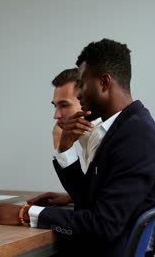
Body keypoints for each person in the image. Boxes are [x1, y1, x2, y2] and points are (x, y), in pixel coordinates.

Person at [0, 39, 155, 256]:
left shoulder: (136, 136)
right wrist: (65, 148)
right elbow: (88, 201)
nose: (79, 94)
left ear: (105, 83)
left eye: (82, 84)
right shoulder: (123, 129)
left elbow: (103, 225)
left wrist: (27, 213)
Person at [28, 68, 102, 207]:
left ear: (87, 100)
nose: (56, 116)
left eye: (64, 105)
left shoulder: (100, 137)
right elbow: (96, 195)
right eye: (55, 106)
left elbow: (88, 207)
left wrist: (61, 145)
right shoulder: (88, 135)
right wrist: (71, 197)